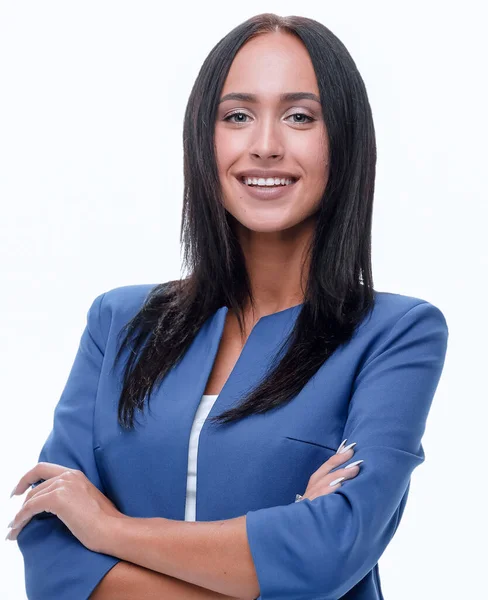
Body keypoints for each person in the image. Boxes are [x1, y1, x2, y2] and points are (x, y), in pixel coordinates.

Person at [10, 12, 449, 600]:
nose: (265, 146)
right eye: (237, 116)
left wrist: (108, 528)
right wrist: (272, 561)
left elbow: (331, 550)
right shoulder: (118, 323)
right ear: (204, 137)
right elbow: (53, 561)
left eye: (299, 116)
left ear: (343, 139)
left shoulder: (397, 335)